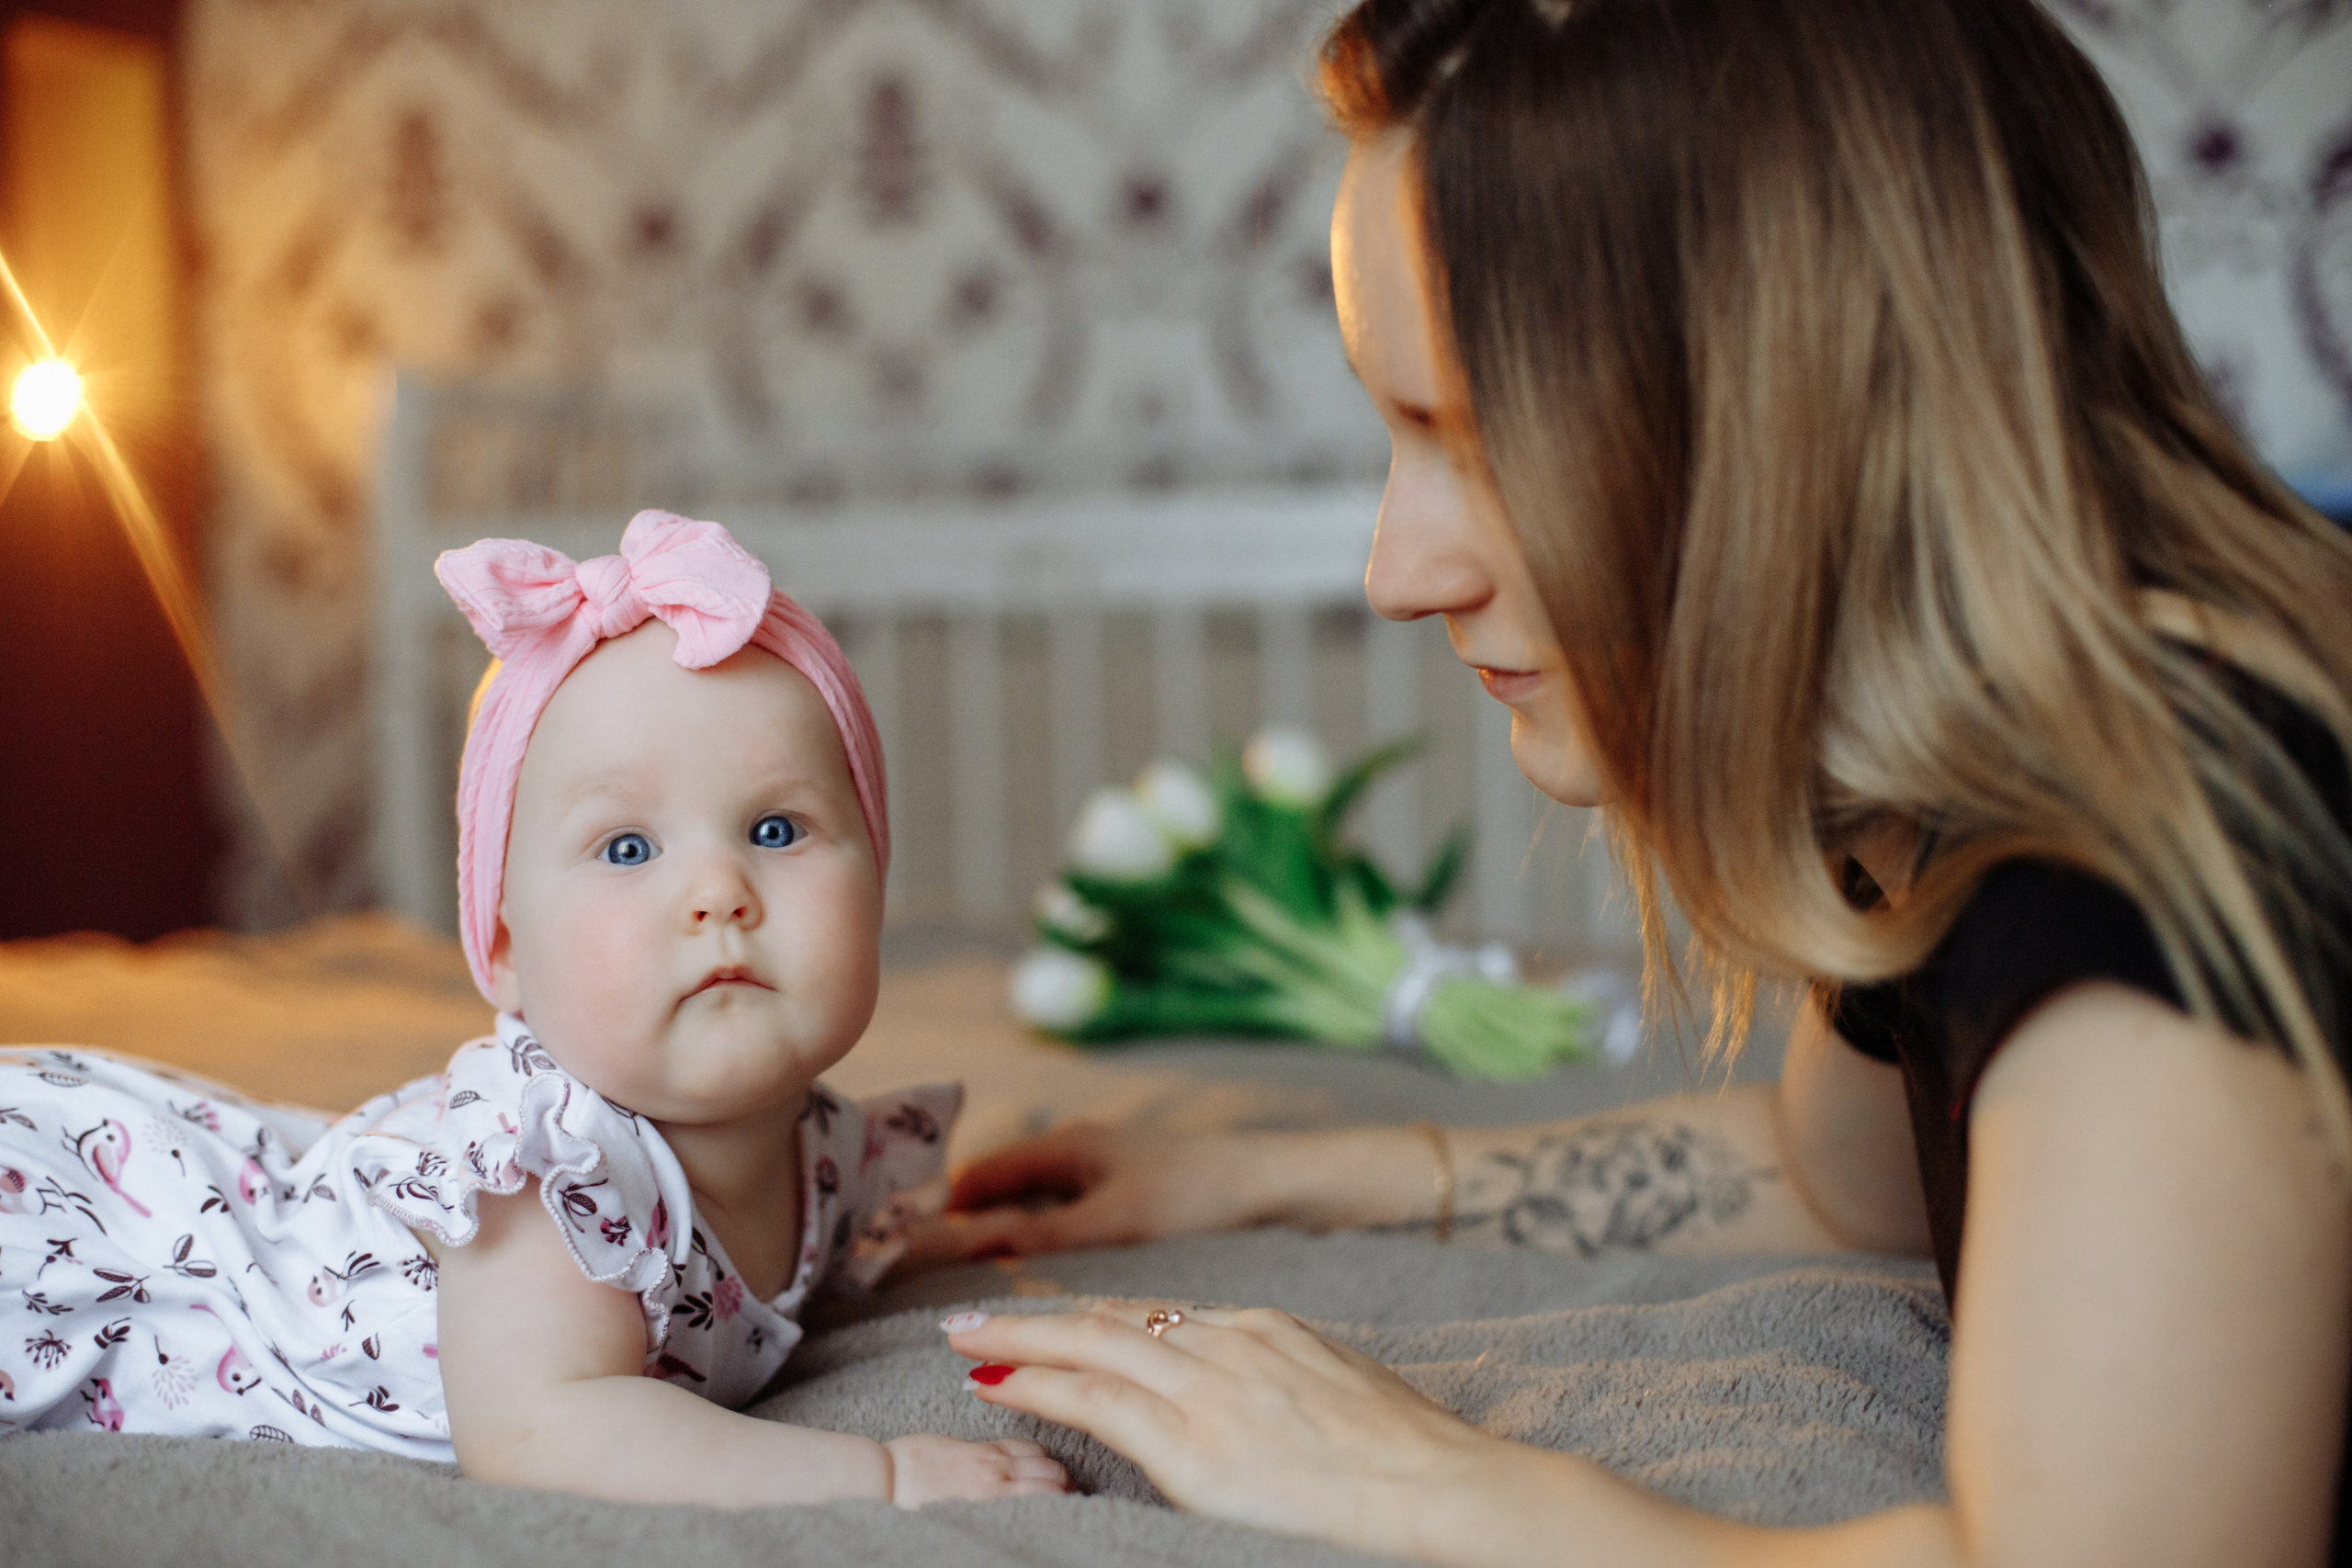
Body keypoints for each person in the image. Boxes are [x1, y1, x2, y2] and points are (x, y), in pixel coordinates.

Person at [921, 0, 2352, 1562]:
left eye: (1467, 434)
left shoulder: (2149, 837)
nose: (1397, 571)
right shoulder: (1960, 776)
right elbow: (1836, 1177)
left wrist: (1423, 1479)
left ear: (1773, 405)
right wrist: (1262, 1173)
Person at [0, 510, 1070, 1508]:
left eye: (778, 831)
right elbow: (540, 1430)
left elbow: (829, 1251)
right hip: (93, 1240)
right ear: (503, 951)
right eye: (628, 849)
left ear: (878, 883)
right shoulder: (551, 1173)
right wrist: (881, 1475)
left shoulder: (815, 1142)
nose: (718, 892)